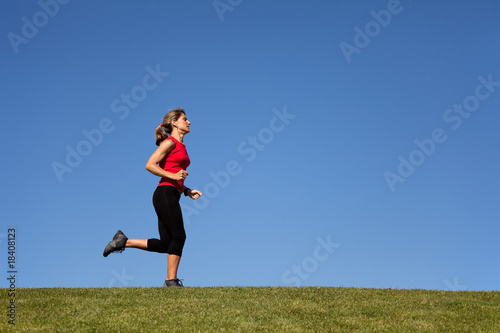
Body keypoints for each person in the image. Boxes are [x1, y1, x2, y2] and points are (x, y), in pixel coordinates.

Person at [103, 107, 202, 287]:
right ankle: (171, 281)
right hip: (164, 193)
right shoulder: (170, 143)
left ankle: (123, 241)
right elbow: (150, 165)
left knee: (166, 244)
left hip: (171, 193)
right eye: (185, 119)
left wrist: (187, 191)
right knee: (179, 237)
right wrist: (173, 177)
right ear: (174, 123)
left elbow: (174, 174)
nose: (188, 122)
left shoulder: (181, 146)